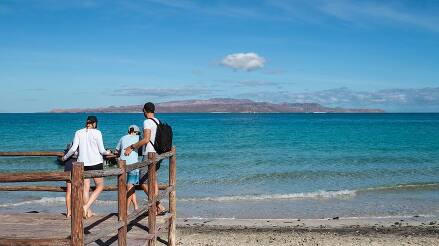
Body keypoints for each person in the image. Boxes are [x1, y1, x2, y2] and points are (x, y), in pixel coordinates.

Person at [62, 116, 110, 219]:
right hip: (96, 162)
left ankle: (88, 212)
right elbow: (102, 150)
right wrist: (108, 152)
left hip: (82, 163)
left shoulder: (78, 132)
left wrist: (65, 157)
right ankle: (86, 207)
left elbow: (73, 148)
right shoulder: (97, 132)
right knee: (100, 186)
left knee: (86, 188)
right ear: (95, 123)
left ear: (86, 123)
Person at [124, 102, 165, 215]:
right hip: (158, 153)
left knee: (142, 181)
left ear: (145, 110)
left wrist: (131, 147)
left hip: (149, 153)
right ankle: (155, 208)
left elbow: (146, 139)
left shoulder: (147, 122)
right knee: (153, 180)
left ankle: (158, 205)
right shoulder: (158, 121)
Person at [115, 125, 141, 213]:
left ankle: (136, 206)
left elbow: (116, 151)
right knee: (130, 186)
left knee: (130, 186)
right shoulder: (139, 138)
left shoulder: (122, 138)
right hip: (133, 164)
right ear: (136, 132)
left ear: (129, 131)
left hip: (122, 165)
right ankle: (125, 210)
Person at [63, 143, 78, 218]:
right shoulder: (78, 151)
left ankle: (69, 212)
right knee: (78, 191)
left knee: (69, 191)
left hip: (67, 170)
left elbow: (63, 159)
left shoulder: (66, 151)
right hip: (76, 170)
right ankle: (78, 210)